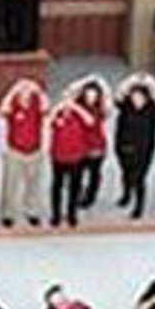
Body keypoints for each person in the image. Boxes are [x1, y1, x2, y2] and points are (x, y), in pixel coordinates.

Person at [114, 75, 155, 220]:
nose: (137, 100)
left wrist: (150, 82)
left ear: (146, 98)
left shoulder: (152, 110)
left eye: (140, 97)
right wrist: (132, 80)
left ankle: (139, 206)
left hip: (144, 151)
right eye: (134, 96)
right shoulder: (125, 107)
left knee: (139, 179)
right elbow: (119, 93)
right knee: (125, 173)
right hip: (124, 147)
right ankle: (126, 195)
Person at [2, 79, 48, 229]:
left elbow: (46, 106)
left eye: (28, 91)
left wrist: (38, 90)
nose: (25, 94)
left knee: (33, 184)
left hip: (34, 151)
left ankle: (31, 211)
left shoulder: (37, 104)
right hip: (15, 151)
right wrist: (14, 89)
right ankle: (8, 214)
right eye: (22, 91)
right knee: (10, 185)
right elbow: (3, 108)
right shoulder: (13, 105)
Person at [48, 98, 92, 229]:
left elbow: (90, 121)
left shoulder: (79, 117)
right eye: (65, 106)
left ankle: (72, 214)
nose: (67, 108)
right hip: (58, 158)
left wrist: (75, 107)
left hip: (76, 158)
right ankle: (56, 215)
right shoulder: (57, 118)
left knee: (74, 188)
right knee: (57, 187)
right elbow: (48, 120)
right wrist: (60, 106)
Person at [72, 78, 110, 211]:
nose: (90, 98)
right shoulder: (78, 105)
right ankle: (77, 194)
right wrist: (86, 80)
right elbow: (71, 90)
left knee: (94, 174)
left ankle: (90, 196)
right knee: (77, 173)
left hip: (96, 147)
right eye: (88, 95)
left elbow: (90, 122)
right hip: (80, 146)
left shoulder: (100, 109)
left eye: (94, 95)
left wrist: (100, 82)